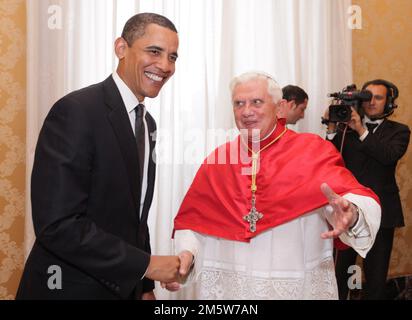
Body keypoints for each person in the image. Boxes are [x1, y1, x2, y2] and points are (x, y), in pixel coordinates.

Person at [16, 13, 191, 300]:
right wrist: (146, 266)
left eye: (172, 57)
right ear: (121, 48)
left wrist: (143, 287)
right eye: (154, 51)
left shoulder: (148, 124)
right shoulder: (76, 111)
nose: (165, 65)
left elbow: (134, 218)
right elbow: (58, 224)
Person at [167, 71, 381, 300]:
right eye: (239, 103)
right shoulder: (219, 159)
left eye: (256, 102)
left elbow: (344, 201)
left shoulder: (312, 151)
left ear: (279, 108)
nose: (246, 111)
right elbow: (193, 222)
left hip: (295, 284)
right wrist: (187, 251)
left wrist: (353, 215)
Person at [325, 79, 410, 300]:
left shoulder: (399, 131)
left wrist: (361, 129)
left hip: (382, 215)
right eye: (367, 97)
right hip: (346, 213)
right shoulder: (346, 130)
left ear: (389, 103)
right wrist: (332, 128)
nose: (371, 102)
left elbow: (388, 156)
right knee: (340, 274)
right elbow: (329, 160)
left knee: (375, 278)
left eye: (379, 97)